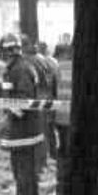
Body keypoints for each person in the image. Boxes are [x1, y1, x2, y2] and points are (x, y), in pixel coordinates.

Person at [0, 33, 43, 195]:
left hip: (23, 126)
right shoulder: (15, 68)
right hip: (23, 125)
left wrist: (9, 117)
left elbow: (23, 98)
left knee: (21, 163)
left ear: (7, 52)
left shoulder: (19, 69)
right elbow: (7, 91)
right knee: (26, 162)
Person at [33, 41, 61, 175]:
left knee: (42, 130)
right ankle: (53, 154)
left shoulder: (36, 61)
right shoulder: (52, 62)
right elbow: (54, 81)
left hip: (40, 99)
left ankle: (42, 161)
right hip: (49, 98)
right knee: (49, 129)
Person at [52, 41, 74, 194]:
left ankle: (62, 188)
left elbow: (52, 92)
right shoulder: (85, 67)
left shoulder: (57, 68)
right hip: (79, 118)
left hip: (61, 118)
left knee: (63, 152)